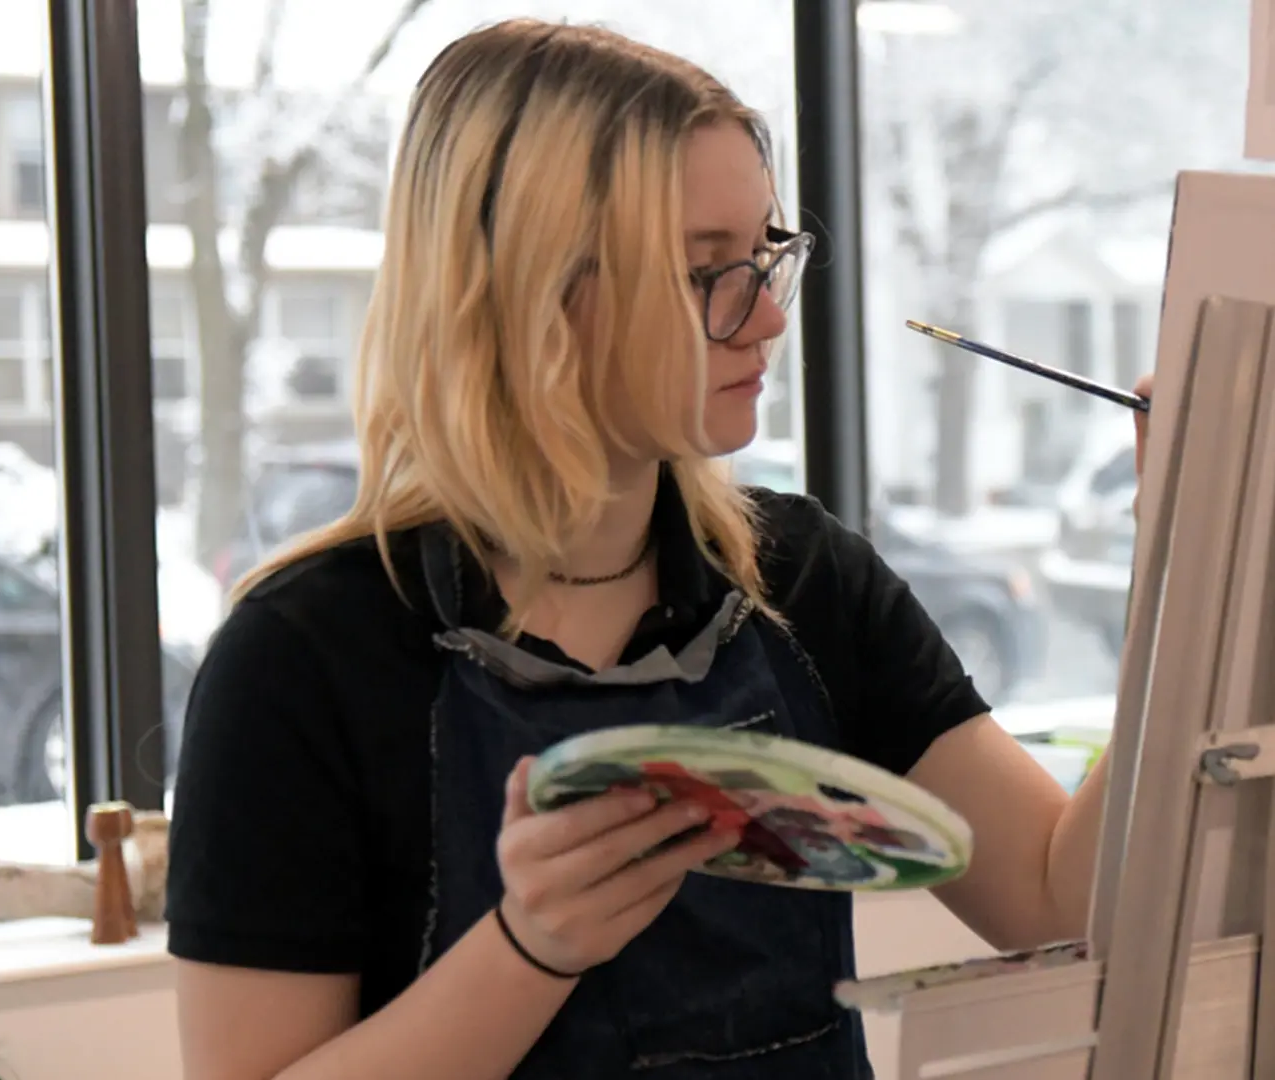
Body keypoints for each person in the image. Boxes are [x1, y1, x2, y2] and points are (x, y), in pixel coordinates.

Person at [166, 17, 1151, 1080]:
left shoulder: (806, 584)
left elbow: (1061, 902)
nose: (767, 318)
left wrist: (1188, 545)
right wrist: (528, 950)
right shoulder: (305, 658)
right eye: (703, 272)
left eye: (766, 256)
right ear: (536, 291)